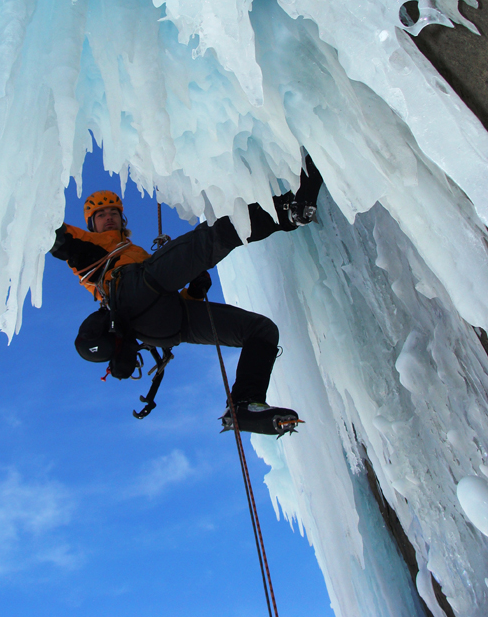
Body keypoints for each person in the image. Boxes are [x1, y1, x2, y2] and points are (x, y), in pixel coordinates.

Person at [50, 157, 323, 435]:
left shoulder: (132, 250)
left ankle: (243, 405)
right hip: (134, 291)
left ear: (122, 218)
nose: (108, 217)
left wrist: (192, 292)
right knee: (211, 239)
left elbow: (168, 303)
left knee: (261, 331)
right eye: (101, 215)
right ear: (90, 224)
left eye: (113, 212)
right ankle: (290, 211)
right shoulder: (87, 246)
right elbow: (52, 232)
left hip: (158, 328)